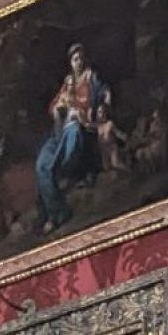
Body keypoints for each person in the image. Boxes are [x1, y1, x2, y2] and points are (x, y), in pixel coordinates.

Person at [36, 43, 111, 230]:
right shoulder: (68, 82)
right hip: (58, 132)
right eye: (75, 59)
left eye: (81, 58)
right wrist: (57, 110)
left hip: (79, 128)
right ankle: (57, 211)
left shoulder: (90, 78)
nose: (79, 62)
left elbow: (105, 94)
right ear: (70, 62)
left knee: (66, 149)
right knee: (41, 166)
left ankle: (55, 216)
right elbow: (53, 106)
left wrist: (103, 106)